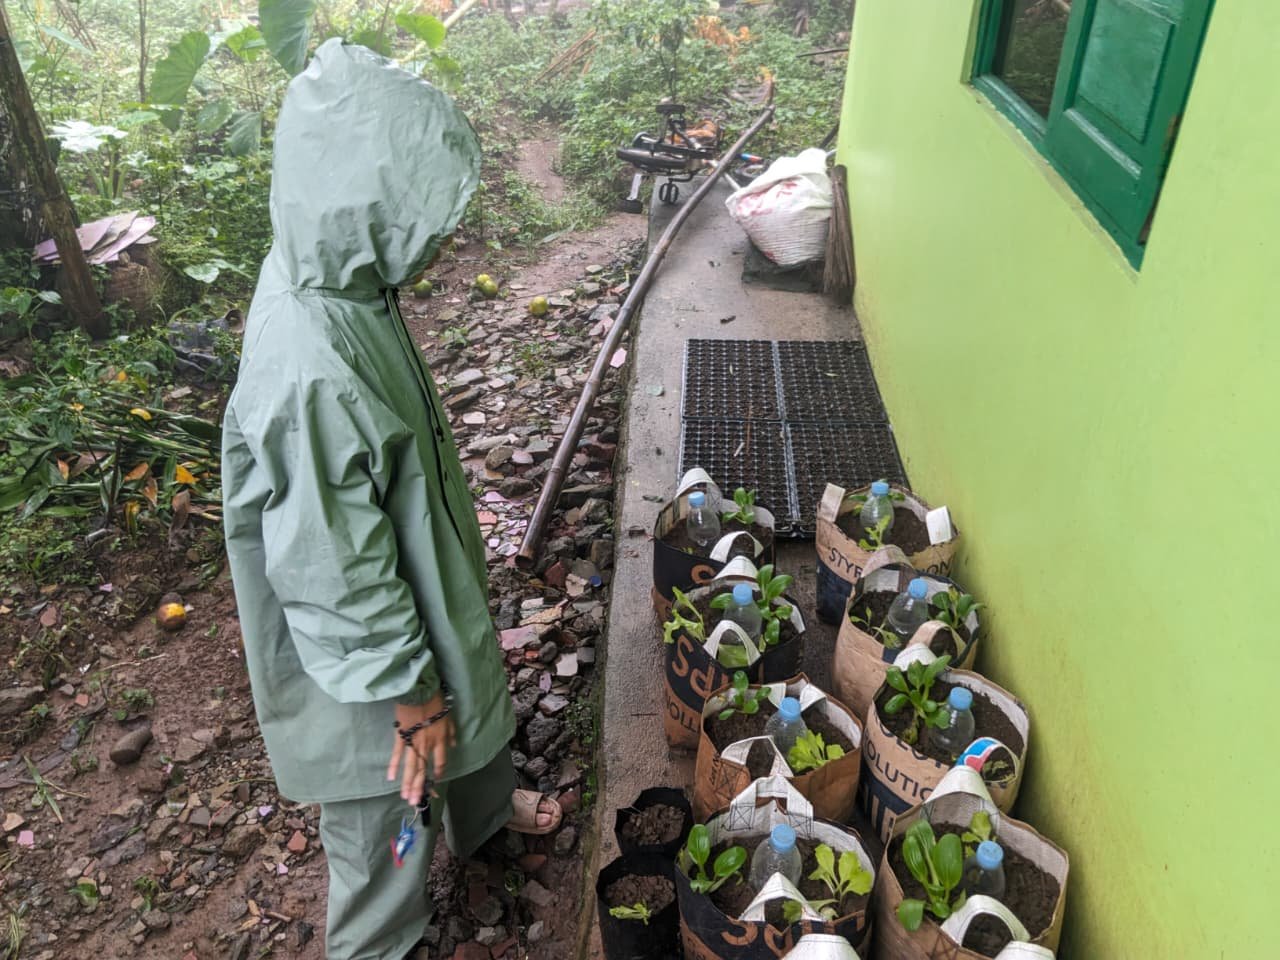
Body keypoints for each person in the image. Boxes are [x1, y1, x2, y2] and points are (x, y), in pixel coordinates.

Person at [222, 39, 560, 960]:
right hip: (364, 658)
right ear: (356, 203)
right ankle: (381, 942)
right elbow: (337, 574)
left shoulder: (334, 270)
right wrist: (406, 697)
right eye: (413, 215)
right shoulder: (309, 371)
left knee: (468, 686)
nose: (437, 241)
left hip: (416, 559)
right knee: (389, 798)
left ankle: (484, 820)